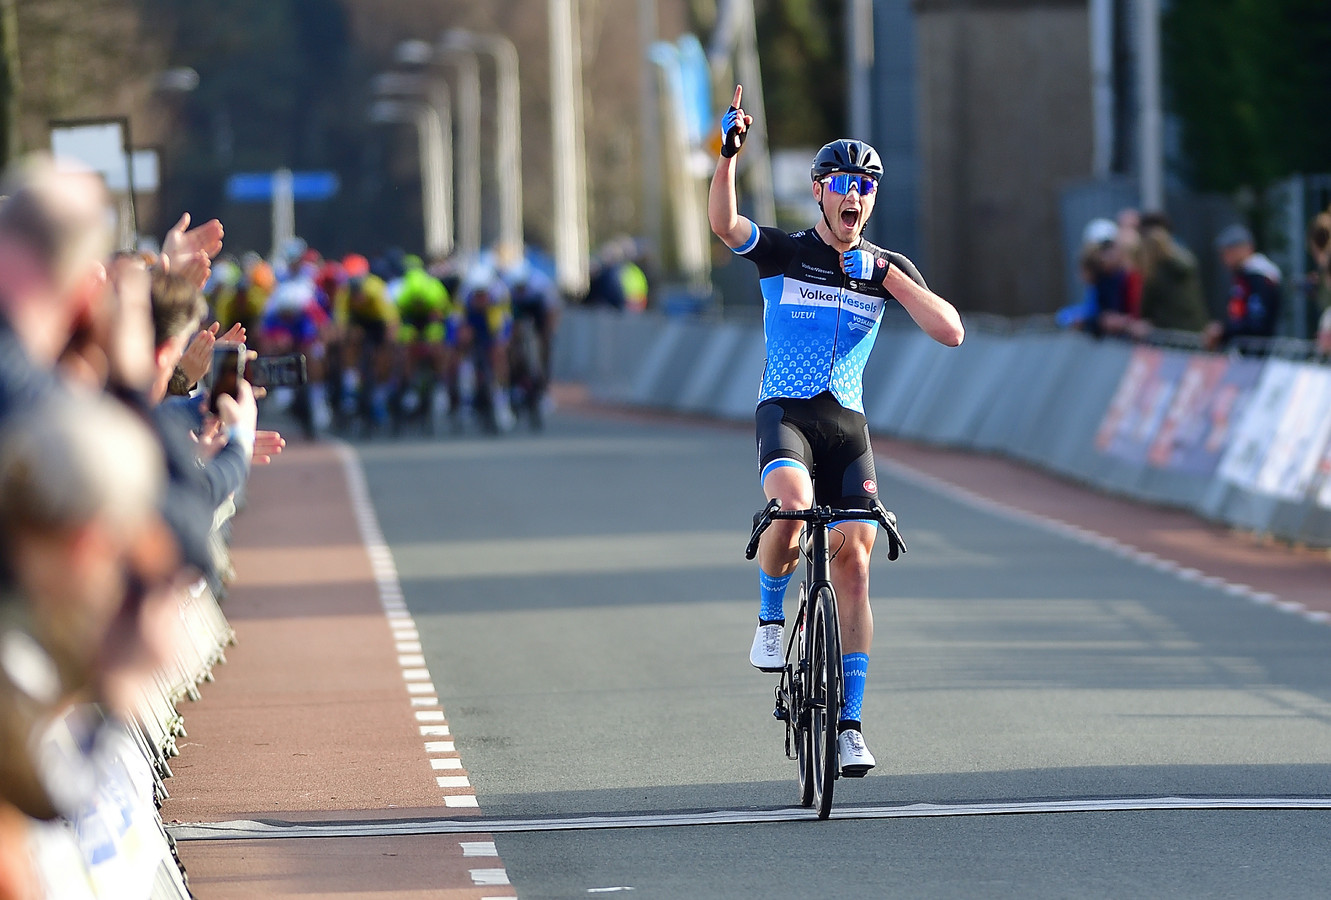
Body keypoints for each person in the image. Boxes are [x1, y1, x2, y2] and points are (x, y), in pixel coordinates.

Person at [708, 85, 964, 776]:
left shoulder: (884, 267)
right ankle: (769, 617)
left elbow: (950, 332)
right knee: (789, 511)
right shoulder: (787, 252)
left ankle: (849, 725)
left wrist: (887, 277)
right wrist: (725, 155)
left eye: (867, 188)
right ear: (820, 192)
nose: (856, 198)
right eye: (845, 186)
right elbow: (726, 226)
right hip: (786, 415)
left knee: (854, 563)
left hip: (847, 428)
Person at [1203, 223, 1282, 351]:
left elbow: (1257, 322)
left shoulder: (1259, 277)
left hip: (1257, 354)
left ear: (1244, 248)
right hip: (1242, 353)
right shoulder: (1242, 276)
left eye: (1228, 251)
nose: (1224, 258)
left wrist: (1224, 332)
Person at [1136, 211, 1210, 334]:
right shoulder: (1154, 265)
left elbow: (1187, 267)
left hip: (1184, 331)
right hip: (1167, 332)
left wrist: (1166, 252)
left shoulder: (1177, 257)